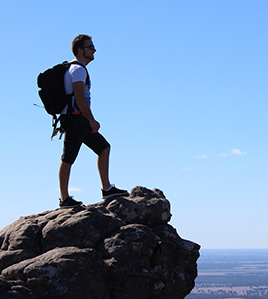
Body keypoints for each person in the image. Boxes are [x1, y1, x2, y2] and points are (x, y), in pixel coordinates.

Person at [58, 34, 128, 208]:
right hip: (76, 120)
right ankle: (64, 199)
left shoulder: (76, 69)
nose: (94, 50)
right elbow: (80, 97)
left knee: (103, 147)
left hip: (78, 119)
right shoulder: (78, 70)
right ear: (81, 50)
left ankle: (107, 189)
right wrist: (91, 120)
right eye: (90, 47)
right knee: (68, 158)